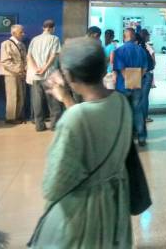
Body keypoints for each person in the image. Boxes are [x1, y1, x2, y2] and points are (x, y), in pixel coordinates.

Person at [27, 37, 133, 248]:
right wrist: (66, 99)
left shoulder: (73, 120)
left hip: (84, 216)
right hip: (115, 205)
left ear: (70, 75)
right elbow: (92, 118)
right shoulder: (120, 102)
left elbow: (54, 186)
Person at [113, 27, 148, 146]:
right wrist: (135, 80)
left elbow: (121, 68)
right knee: (138, 111)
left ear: (124, 37)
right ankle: (141, 137)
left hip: (122, 86)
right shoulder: (141, 50)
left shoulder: (119, 51)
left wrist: (129, 80)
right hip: (137, 85)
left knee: (124, 112)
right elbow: (145, 68)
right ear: (134, 37)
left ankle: (126, 138)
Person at [27, 20, 63, 132]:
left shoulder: (34, 39)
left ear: (43, 27)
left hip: (36, 75)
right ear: (53, 28)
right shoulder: (55, 39)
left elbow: (29, 56)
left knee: (37, 101)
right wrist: (44, 68)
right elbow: (53, 56)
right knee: (53, 102)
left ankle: (39, 125)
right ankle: (54, 125)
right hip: (49, 75)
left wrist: (36, 68)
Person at [0, 24, 27, 124]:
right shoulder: (6, 44)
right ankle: (10, 118)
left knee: (21, 95)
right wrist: (18, 70)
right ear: (13, 33)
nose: (23, 34)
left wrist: (25, 69)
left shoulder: (22, 45)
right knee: (12, 95)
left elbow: (25, 59)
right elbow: (5, 61)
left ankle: (18, 116)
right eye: (21, 32)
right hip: (10, 74)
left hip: (21, 74)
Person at [139, 29, 156, 123]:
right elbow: (152, 57)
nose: (149, 37)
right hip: (147, 74)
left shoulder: (137, 47)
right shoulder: (145, 47)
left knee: (139, 96)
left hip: (137, 74)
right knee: (145, 96)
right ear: (145, 36)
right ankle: (144, 117)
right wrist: (153, 63)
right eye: (148, 35)